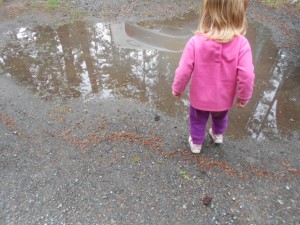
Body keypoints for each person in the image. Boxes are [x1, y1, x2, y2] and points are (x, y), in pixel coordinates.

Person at [172, 0, 255, 154]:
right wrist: (244, 96)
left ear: (207, 12)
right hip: (224, 98)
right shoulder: (242, 44)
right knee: (221, 115)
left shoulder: (195, 42)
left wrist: (178, 88)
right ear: (239, 14)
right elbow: (247, 74)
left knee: (197, 119)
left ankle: (196, 143)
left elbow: (184, 70)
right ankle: (217, 135)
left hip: (200, 98)